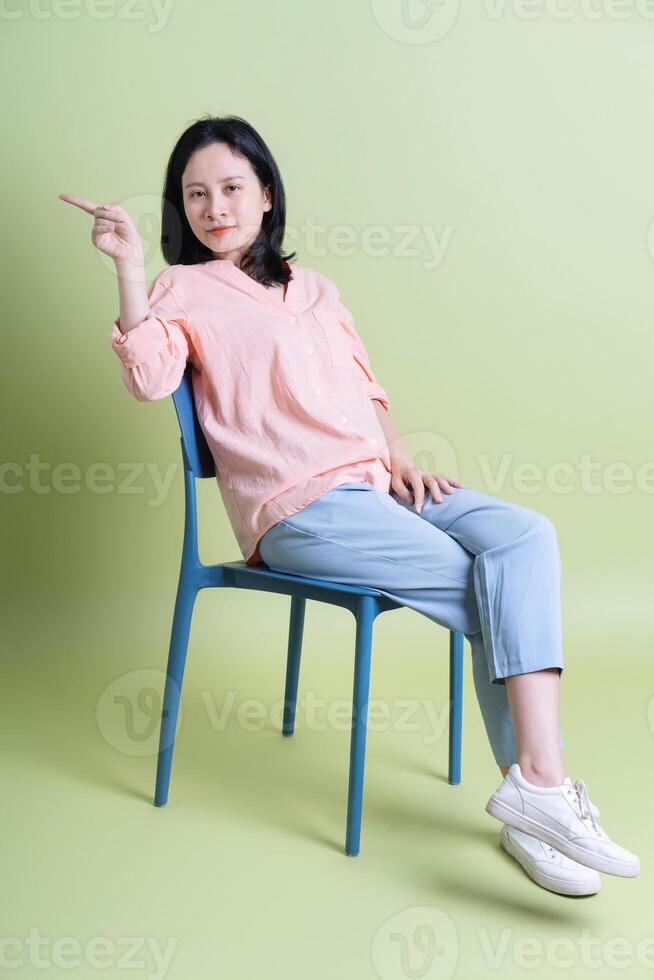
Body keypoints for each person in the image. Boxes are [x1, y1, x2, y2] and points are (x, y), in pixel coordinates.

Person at [59, 113, 639, 897]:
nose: (215, 207)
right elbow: (149, 377)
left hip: (376, 488)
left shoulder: (320, 289)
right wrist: (128, 269)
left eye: (231, 187)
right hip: (298, 512)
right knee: (490, 588)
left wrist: (397, 453)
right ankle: (540, 790)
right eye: (195, 195)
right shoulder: (182, 286)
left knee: (523, 541)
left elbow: (364, 387)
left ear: (266, 195)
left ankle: (532, 798)